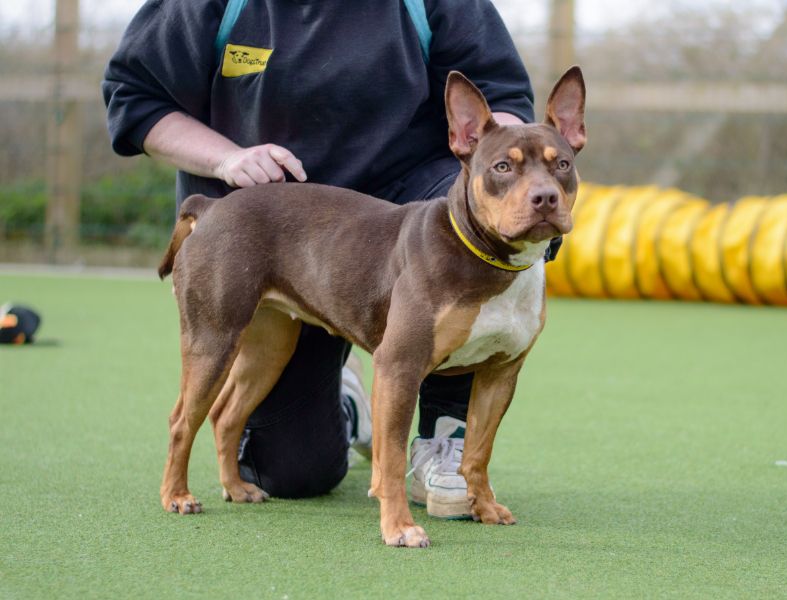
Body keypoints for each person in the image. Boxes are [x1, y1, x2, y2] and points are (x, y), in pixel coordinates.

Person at [103, 0, 558, 517]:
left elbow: (498, 94)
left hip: (408, 205)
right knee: (294, 471)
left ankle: (443, 436)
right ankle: (349, 393)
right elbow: (134, 98)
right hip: (269, 219)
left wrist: (520, 176)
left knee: (514, 212)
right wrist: (227, 158)